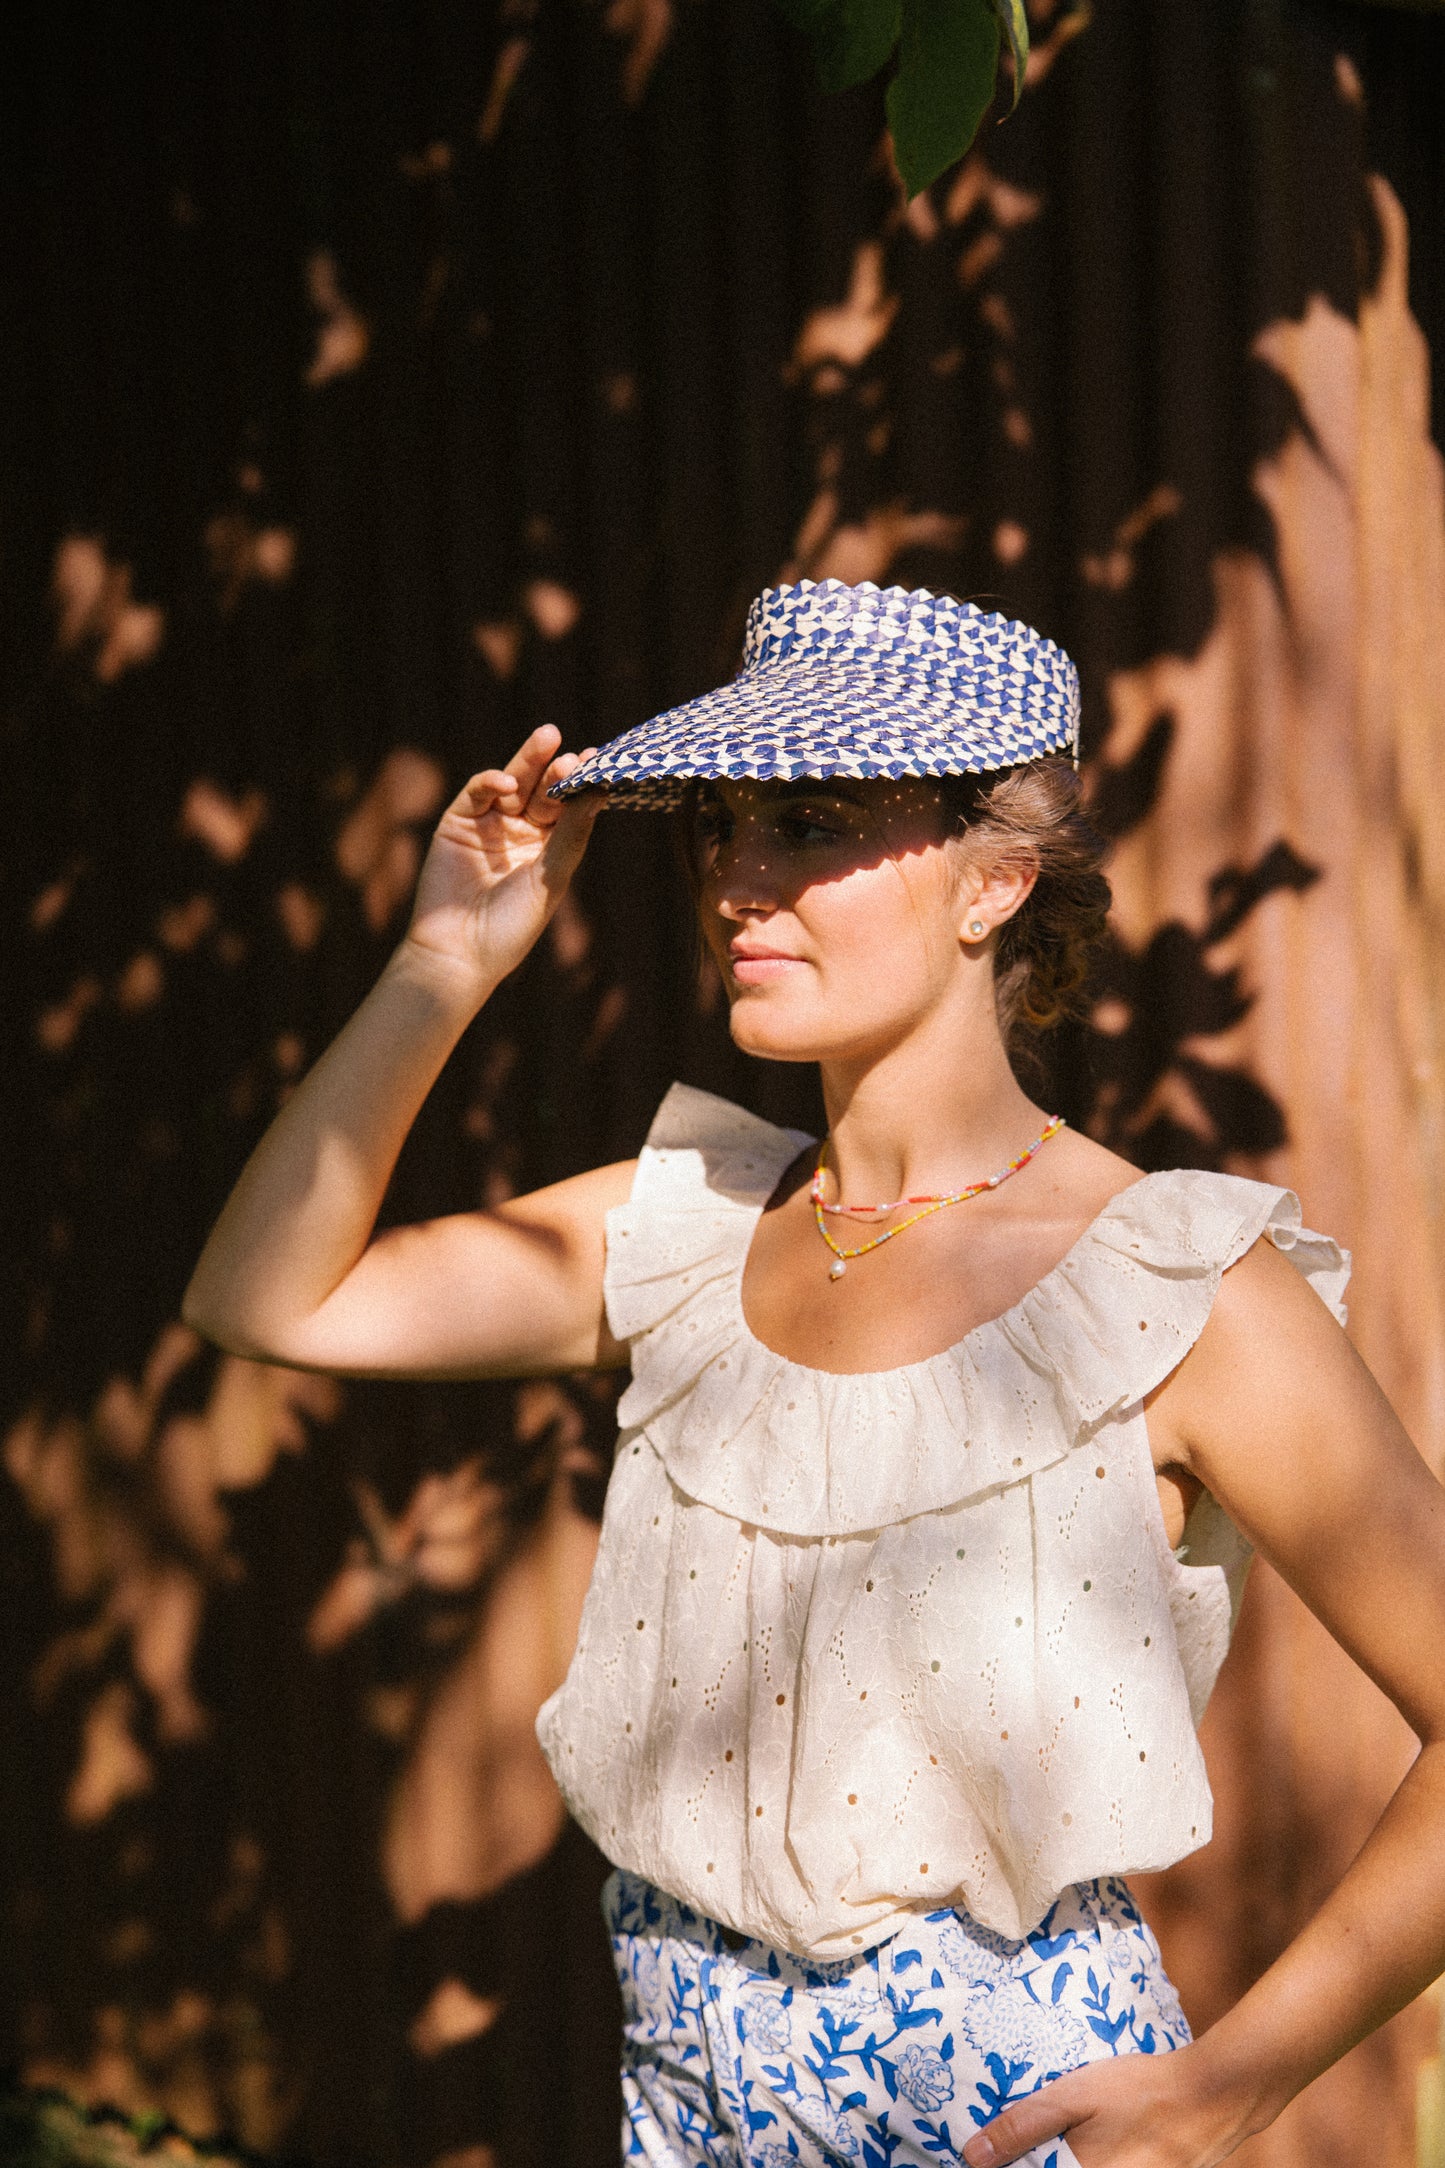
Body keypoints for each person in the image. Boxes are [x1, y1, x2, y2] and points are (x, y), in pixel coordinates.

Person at [184, 580, 1445, 2168]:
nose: (737, 881)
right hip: (684, 2093)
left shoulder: (1174, 1288)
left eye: (813, 822)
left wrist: (1235, 2079)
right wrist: (447, 961)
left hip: (1012, 2116)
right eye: (724, 829)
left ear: (994, 881)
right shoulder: (684, 1229)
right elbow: (270, 1299)